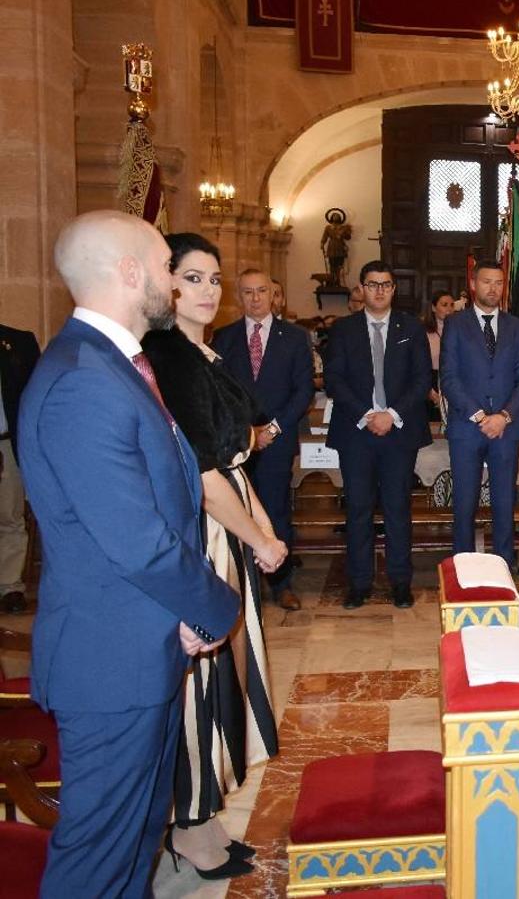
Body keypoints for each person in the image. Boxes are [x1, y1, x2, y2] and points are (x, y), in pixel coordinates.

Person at [19, 210, 241, 896]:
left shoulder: (116, 365)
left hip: (139, 643)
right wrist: (216, 607)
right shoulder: (85, 379)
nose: (174, 287)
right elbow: (137, 541)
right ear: (130, 271)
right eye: (164, 268)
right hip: (108, 661)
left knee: (134, 841)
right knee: (97, 857)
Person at [142, 233, 287, 879]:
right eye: (192, 278)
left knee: (221, 677)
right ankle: (189, 824)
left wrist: (263, 526)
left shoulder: (203, 352)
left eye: (213, 280)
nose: (207, 291)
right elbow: (202, 474)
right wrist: (259, 537)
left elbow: (239, 453)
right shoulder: (166, 355)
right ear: (164, 283)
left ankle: (204, 814)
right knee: (199, 682)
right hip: (201, 533)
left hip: (228, 522)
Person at [324, 260, 433, 609]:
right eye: (372, 284)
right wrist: (368, 414)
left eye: (386, 284)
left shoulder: (411, 327)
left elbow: (421, 380)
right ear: (361, 288)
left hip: (399, 432)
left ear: (393, 289)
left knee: (398, 508)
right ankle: (359, 583)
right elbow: (334, 380)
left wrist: (392, 414)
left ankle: (400, 582)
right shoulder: (343, 329)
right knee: (357, 510)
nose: (380, 290)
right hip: (356, 432)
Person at [212, 269, 315, 611]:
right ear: (238, 297)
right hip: (235, 442)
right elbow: (217, 390)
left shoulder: (295, 337)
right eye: (247, 292)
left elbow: (303, 391)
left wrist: (272, 429)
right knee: (236, 509)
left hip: (277, 438)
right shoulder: (223, 338)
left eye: (261, 291)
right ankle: (243, 584)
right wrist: (247, 432)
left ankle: (281, 583)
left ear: (273, 295)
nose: (255, 298)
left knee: (275, 509)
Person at [441, 261, 519, 568]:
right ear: (473, 283)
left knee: (504, 502)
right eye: (486, 282)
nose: (493, 288)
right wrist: (481, 417)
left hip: (506, 429)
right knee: (465, 503)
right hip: (467, 428)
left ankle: (503, 566)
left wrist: (503, 416)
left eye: (498, 282)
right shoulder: (456, 324)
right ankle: (464, 567)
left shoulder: (517, 326)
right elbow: (449, 378)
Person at [0, 322, 39, 613]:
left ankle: (9, 586)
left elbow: (35, 398)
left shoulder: (19, 342)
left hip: (6, 442)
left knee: (10, 515)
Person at [425, 290, 458, 420]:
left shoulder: (460, 331)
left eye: (452, 305)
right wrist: (429, 392)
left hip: (454, 381)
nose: (449, 309)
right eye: (444, 305)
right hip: (430, 382)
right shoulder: (423, 333)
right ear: (433, 308)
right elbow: (417, 366)